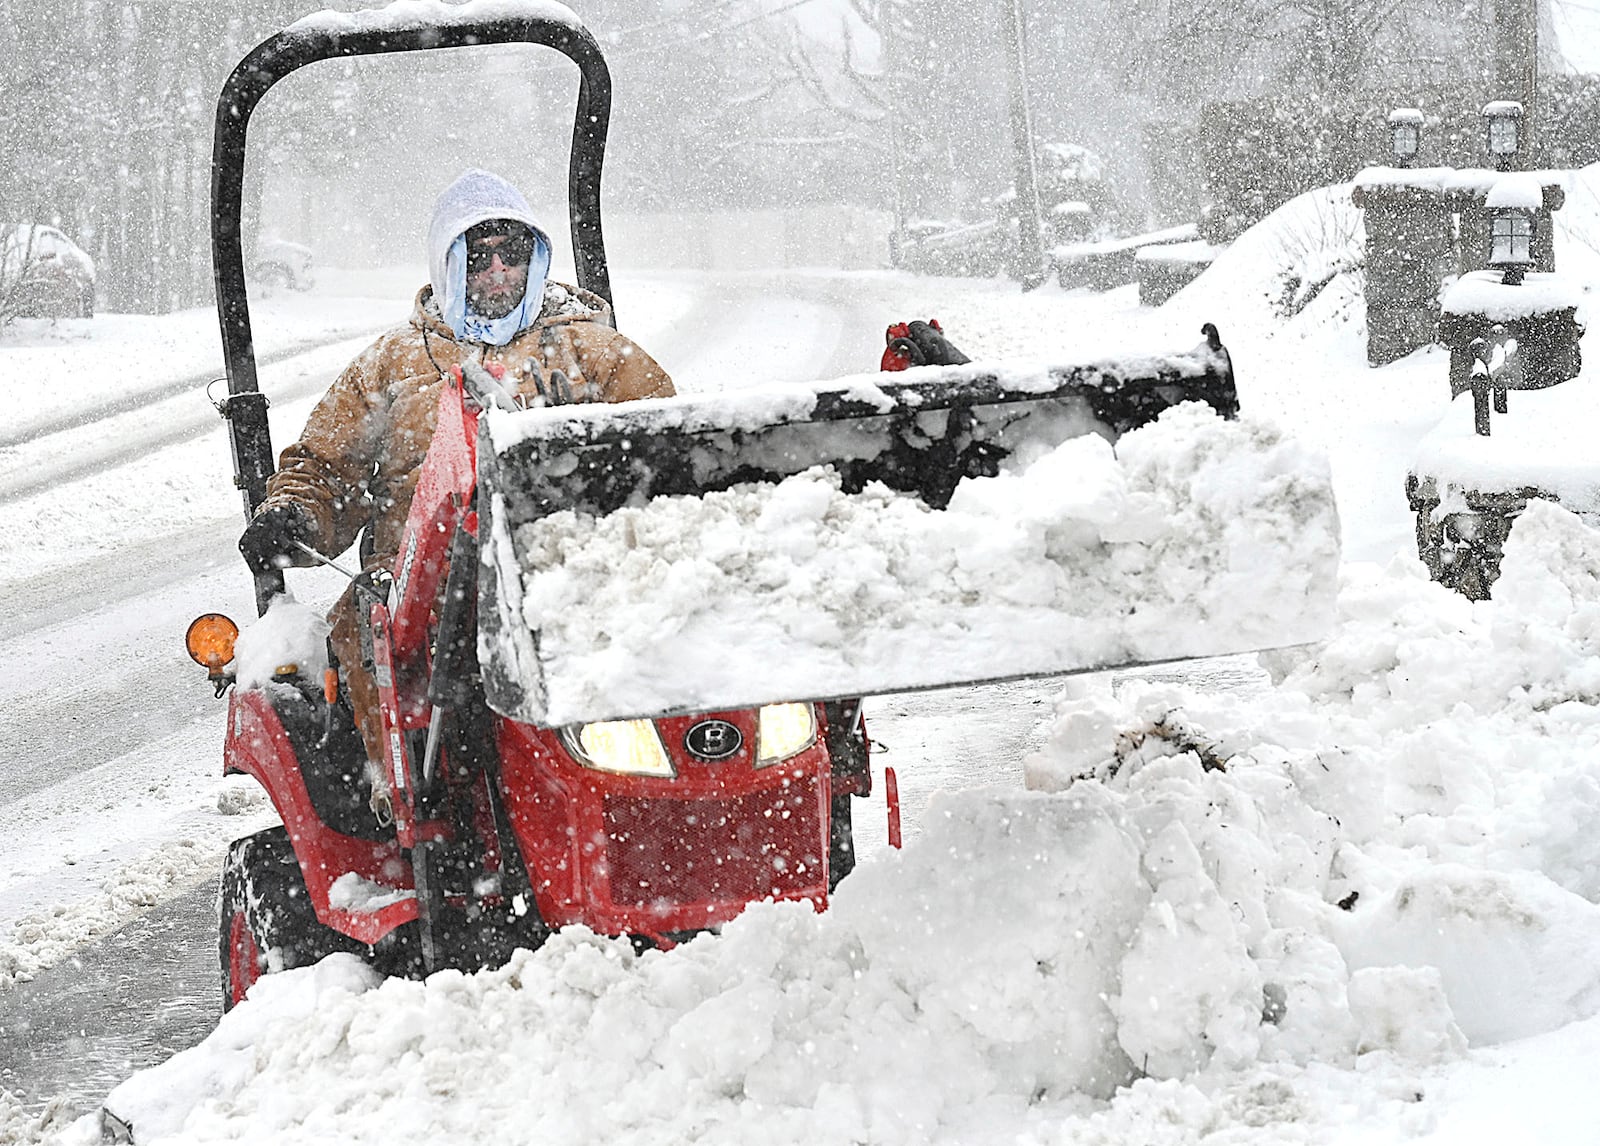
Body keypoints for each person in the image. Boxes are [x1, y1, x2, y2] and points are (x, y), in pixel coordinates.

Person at [238, 169, 674, 791]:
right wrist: (298, 514)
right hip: (419, 589)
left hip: (570, 561)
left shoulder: (593, 354)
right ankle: (409, 799)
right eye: (479, 257)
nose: (498, 273)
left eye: (513, 254)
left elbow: (663, 445)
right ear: (450, 264)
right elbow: (327, 467)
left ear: (537, 258)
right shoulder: (392, 364)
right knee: (367, 636)